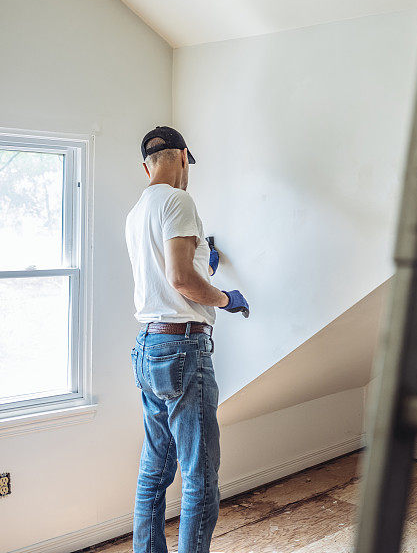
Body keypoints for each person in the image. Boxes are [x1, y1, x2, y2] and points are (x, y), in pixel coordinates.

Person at [125, 126, 249, 553]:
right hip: (183, 348)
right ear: (182, 157)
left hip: (148, 347)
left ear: (146, 165)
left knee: (155, 469)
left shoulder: (138, 211)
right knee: (200, 474)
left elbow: (169, 272)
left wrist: (205, 261)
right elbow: (180, 280)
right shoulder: (179, 200)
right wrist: (224, 298)